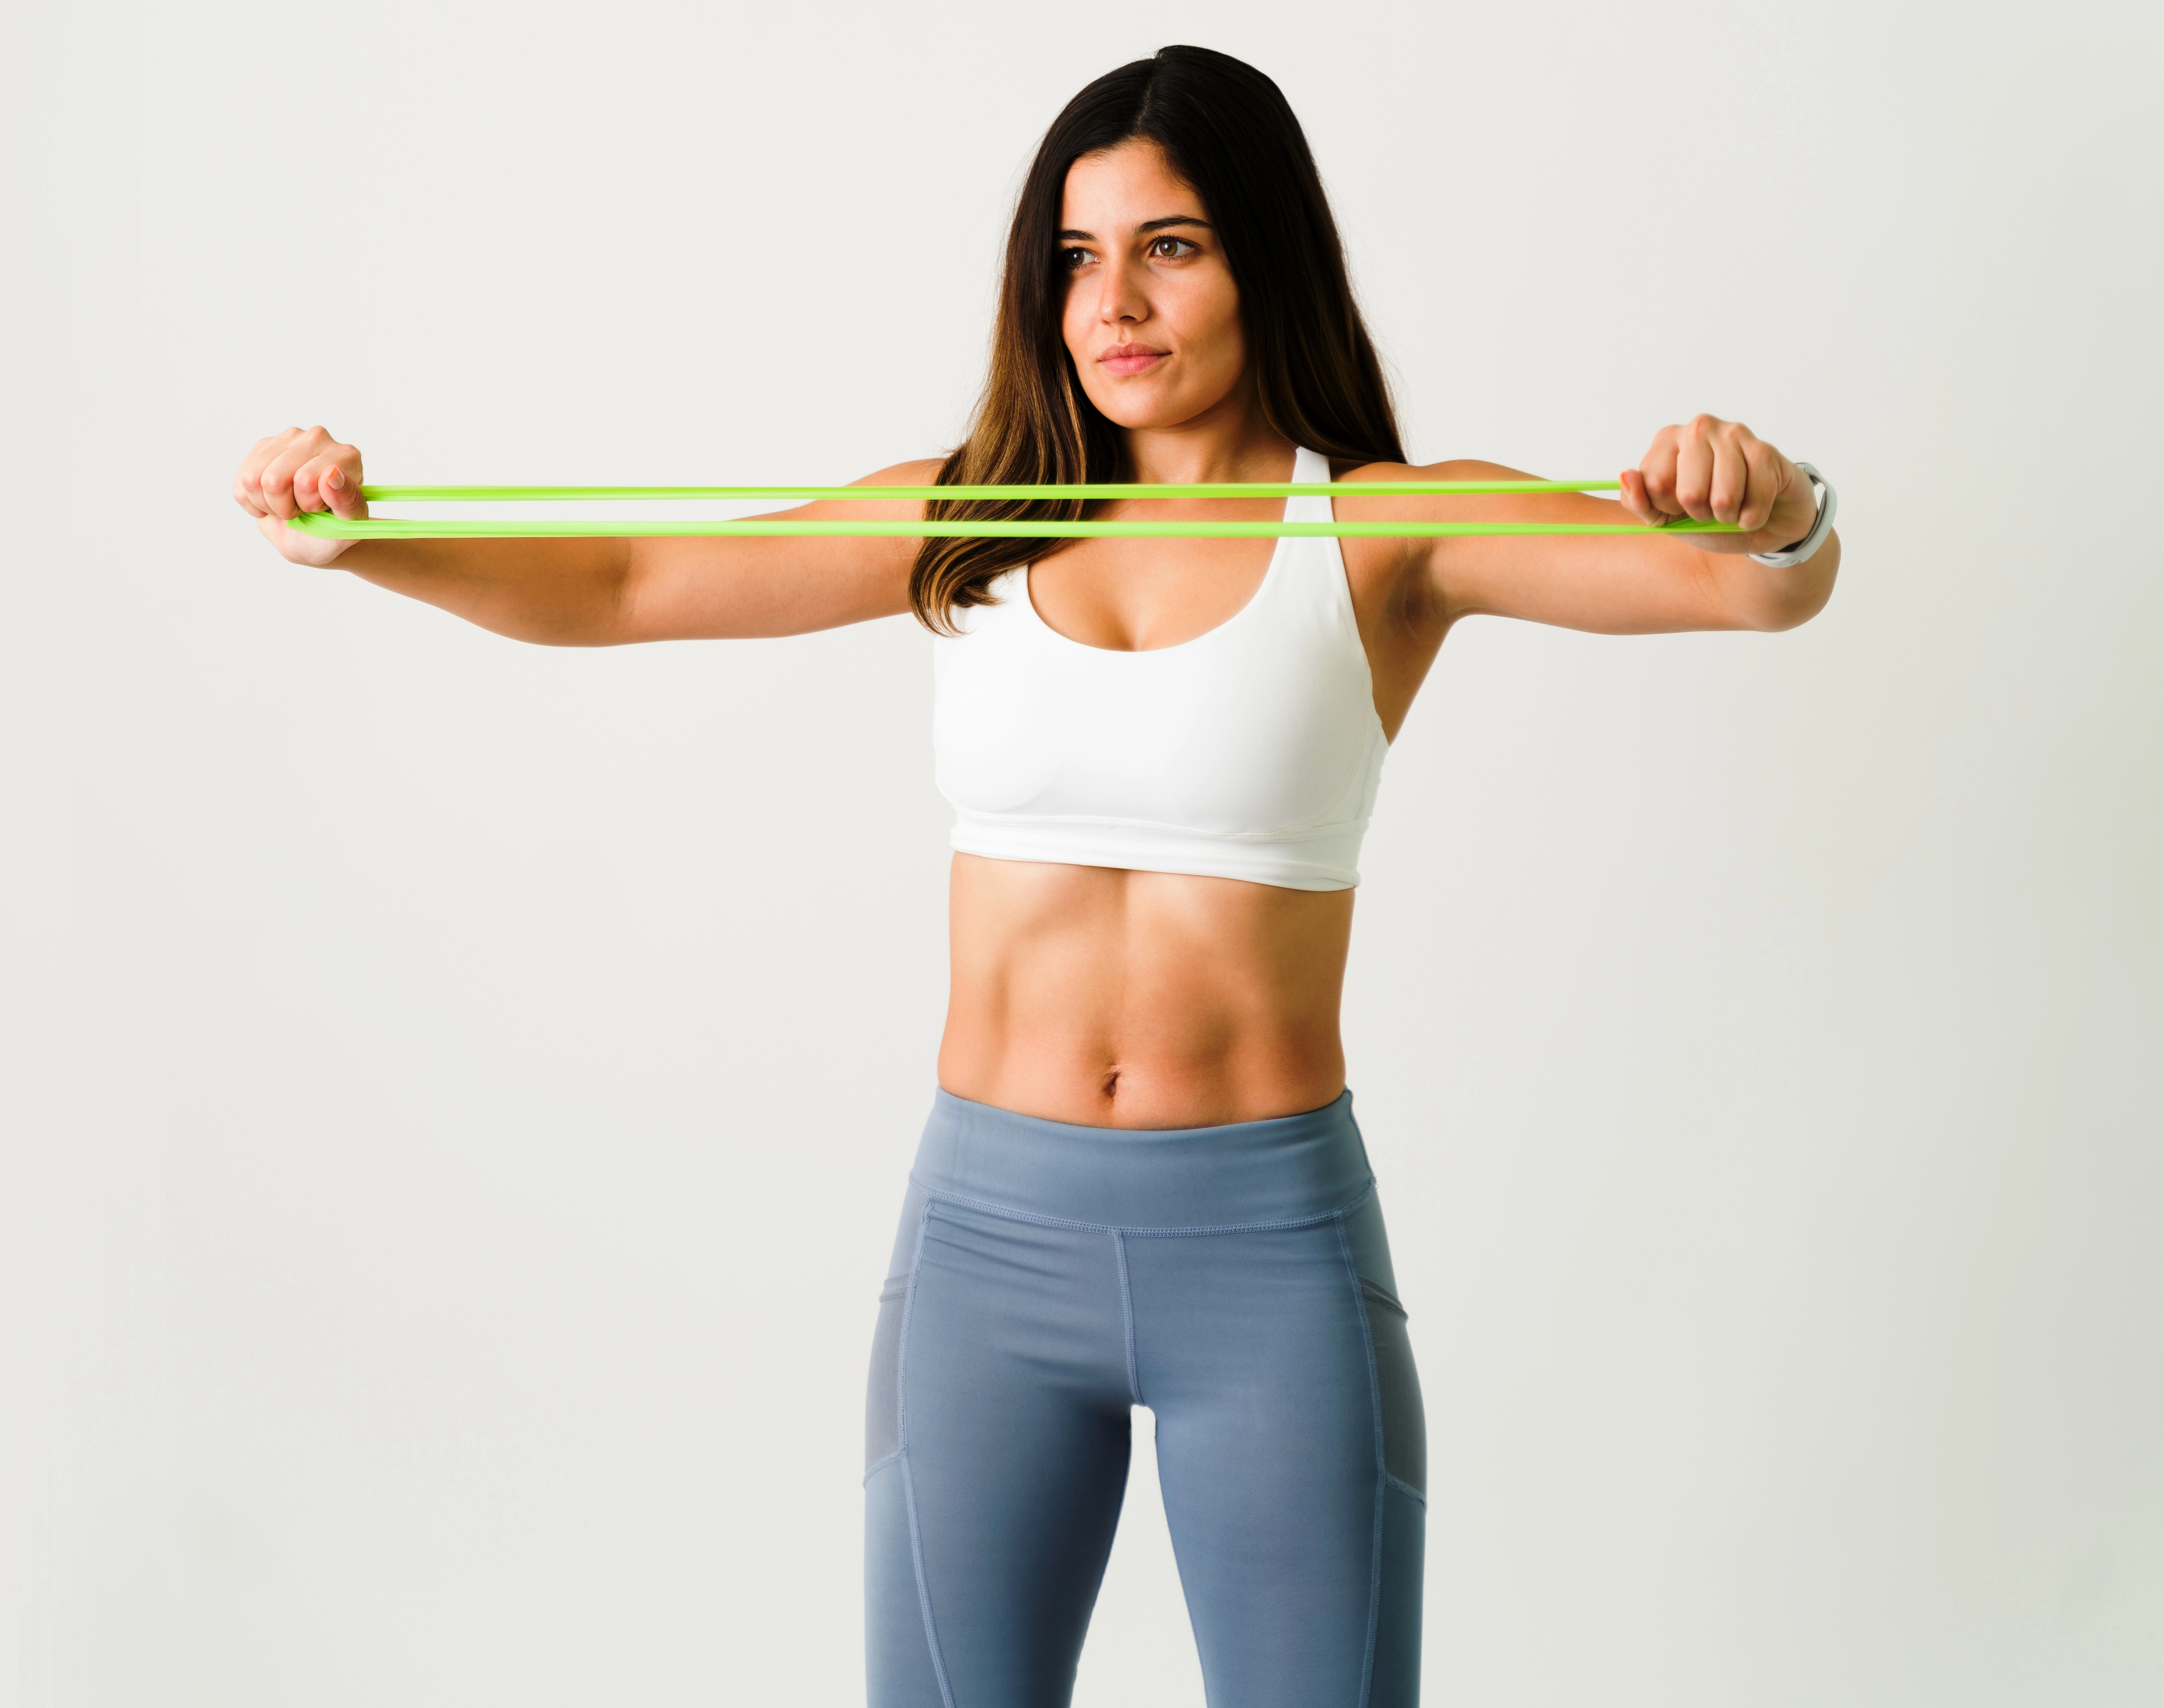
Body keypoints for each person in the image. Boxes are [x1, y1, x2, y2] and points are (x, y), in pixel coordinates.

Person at [231, 44, 1839, 1708]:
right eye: (1077, 259)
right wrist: (358, 538)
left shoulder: (1378, 534)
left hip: (1267, 1255)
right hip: (986, 1249)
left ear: (1263, 258)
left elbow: (1751, 592)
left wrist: (1774, 513)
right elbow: (627, 578)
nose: (1114, 303)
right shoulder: (972, 518)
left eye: (1172, 246)